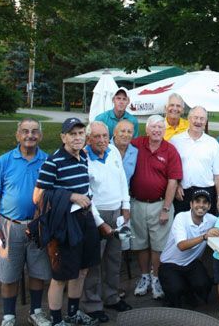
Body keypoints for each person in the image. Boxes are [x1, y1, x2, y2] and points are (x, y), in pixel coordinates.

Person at [34, 117, 112, 326]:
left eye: (80, 133)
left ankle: (73, 313)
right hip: (63, 223)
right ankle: (57, 320)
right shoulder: (53, 161)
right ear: (63, 137)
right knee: (60, 276)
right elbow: (39, 196)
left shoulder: (83, 157)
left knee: (82, 270)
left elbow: (85, 191)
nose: (77, 138)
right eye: (72, 134)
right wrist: (71, 196)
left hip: (84, 220)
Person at [0, 119, 51, 326]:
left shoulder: (48, 161)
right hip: (9, 226)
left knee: (38, 272)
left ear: (40, 136)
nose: (29, 135)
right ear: (17, 135)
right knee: (8, 274)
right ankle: (9, 316)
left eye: (34, 132)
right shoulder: (3, 161)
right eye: (25, 131)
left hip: (38, 226)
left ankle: (36, 312)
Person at [81, 122, 132, 321]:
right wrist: (99, 222)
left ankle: (111, 296)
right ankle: (92, 304)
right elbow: (85, 193)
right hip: (95, 215)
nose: (102, 140)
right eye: (97, 137)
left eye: (105, 136)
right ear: (88, 138)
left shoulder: (112, 150)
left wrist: (125, 205)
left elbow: (122, 179)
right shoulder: (83, 158)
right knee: (94, 261)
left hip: (117, 212)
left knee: (114, 258)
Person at [129, 115, 183, 300]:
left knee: (158, 246)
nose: (157, 130)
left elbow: (173, 181)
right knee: (140, 244)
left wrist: (166, 209)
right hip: (136, 203)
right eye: (153, 127)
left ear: (164, 130)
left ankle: (156, 278)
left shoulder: (170, 150)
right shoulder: (136, 144)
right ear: (147, 129)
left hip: (160, 204)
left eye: (160, 127)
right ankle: (144, 277)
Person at [158, 189, 219, 308]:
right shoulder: (181, 217)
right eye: (197, 201)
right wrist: (204, 236)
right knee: (176, 291)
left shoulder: (211, 219)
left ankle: (189, 291)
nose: (201, 205)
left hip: (192, 263)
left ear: (209, 206)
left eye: (205, 202)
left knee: (204, 285)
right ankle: (176, 294)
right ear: (191, 204)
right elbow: (182, 246)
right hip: (170, 264)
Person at [171, 106, 219, 215]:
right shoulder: (175, 141)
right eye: (195, 117)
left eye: (202, 119)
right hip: (182, 194)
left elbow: (218, 174)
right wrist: (176, 185)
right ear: (189, 119)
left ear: (205, 122)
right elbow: (170, 169)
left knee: (206, 228)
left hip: (206, 193)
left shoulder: (213, 143)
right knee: (182, 227)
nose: (198, 121)